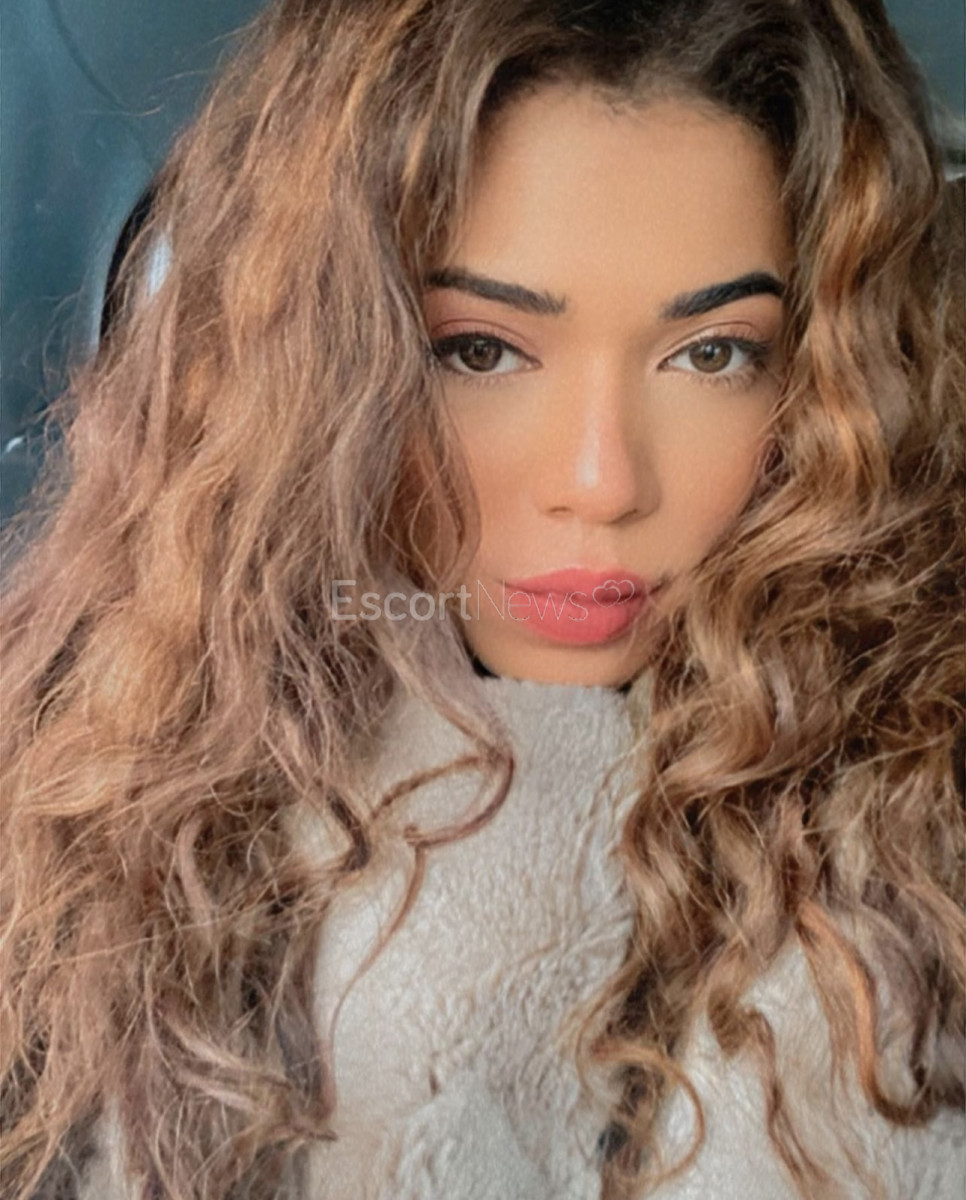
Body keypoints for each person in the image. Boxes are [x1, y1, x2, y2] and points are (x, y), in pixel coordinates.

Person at [2, 0, 963, 1197]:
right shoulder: (72, 818)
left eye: (713, 353)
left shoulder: (921, 827)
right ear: (322, 369)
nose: (602, 482)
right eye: (480, 350)